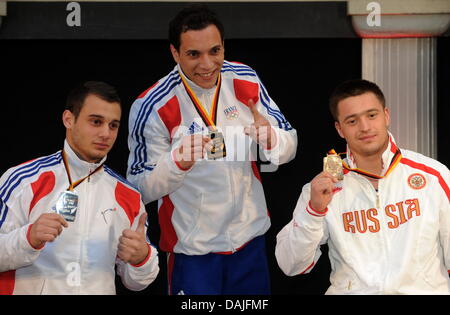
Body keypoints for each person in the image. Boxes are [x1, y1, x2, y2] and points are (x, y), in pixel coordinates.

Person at [127, 5, 297, 294]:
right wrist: (176, 163)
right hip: (193, 253)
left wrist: (271, 139)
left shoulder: (246, 78)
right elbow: (137, 187)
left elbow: (290, 142)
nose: (207, 64)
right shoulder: (151, 105)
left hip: (250, 242)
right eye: (194, 54)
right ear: (174, 53)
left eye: (215, 51)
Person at [275, 79, 450, 294]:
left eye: (372, 115)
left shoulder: (432, 176)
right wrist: (313, 212)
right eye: (352, 121)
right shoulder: (323, 189)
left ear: (386, 115)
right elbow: (291, 265)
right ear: (340, 129)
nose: (365, 127)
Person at [0, 81, 159, 294]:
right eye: (96, 122)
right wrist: (28, 237)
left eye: (113, 125)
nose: (106, 133)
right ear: (68, 119)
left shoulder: (128, 195)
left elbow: (137, 282)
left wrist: (142, 258)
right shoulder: (23, 179)